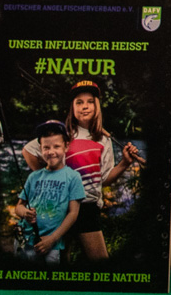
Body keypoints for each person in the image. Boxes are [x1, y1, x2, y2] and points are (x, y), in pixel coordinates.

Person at [22, 80, 142, 262]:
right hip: (60, 204)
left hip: (87, 207)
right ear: (72, 107)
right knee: (61, 258)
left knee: (99, 259)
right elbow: (28, 151)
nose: (84, 107)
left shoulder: (103, 139)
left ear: (97, 106)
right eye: (79, 102)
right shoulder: (62, 133)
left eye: (90, 102)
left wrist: (125, 163)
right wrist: (49, 177)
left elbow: (105, 179)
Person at [14, 121, 84, 264]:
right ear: (40, 149)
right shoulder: (34, 177)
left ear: (66, 146)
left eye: (56, 146)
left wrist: (52, 239)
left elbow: (73, 214)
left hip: (51, 245)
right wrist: (24, 213)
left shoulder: (73, 177)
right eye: (46, 147)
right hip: (25, 242)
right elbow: (18, 207)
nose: (51, 152)